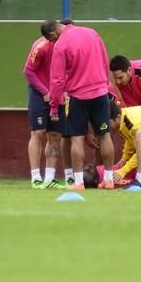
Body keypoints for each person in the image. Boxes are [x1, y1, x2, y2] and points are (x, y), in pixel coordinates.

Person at [41, 19, 114, 190]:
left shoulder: (60, 44)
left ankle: (79, 182)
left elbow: (57, 80)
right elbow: (105, 60)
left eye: (51, 40)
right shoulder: (92, 32)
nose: (53, 42)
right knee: (105, 136)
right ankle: (109, 180)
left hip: (78, 96)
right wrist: (104, 85)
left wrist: (54, 106)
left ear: (53, 34)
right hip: (100, 93)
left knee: (77, 139)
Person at [22, 33, 66, 189]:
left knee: (55, 136)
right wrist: (45, 92)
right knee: (38, 133)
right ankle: (35, 178)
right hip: (39, 94)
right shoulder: (41, 46)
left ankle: (49, 179)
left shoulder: (70, 46)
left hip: (58, 94)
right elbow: (28, 71)